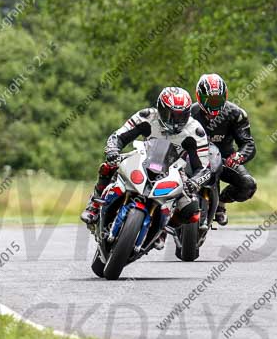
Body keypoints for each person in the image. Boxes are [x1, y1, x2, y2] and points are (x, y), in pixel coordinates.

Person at [80, 87, 213, 246]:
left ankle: (161, 228)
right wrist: (112, 149)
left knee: (192, 213)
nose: (175, 121)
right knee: (108, 166)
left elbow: (204, 168)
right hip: (143, 157)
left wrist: (195, 182)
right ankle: (94, 204)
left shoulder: (195, 131)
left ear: (188, 113)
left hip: (175, 169)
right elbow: (118, 136)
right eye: (171, 115)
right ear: (160, 108)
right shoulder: (146, 116)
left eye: (181, 115)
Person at [190, 73, 257, 225]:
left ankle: (220, 202)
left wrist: (239, 156)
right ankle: (165, 222)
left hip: (225, 160)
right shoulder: (189, 114)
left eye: (217, 100)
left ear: (224, 96)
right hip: (195, 160)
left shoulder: (236, 114)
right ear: (199, 97)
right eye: (209, 100)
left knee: (248, 185)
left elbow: (248, 144)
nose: (213, 104)